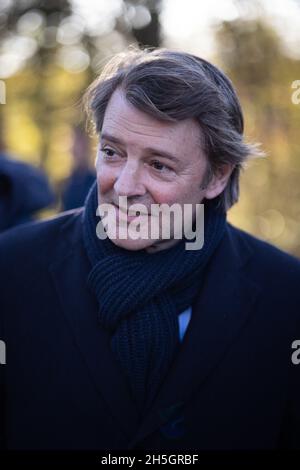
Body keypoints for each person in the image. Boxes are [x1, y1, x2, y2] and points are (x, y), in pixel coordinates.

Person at [0, 48, 299, 451]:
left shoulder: (286, 296)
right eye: (112, 152)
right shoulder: (12, 270)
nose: (124, 187)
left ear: (217, 175)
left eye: (159, 165)